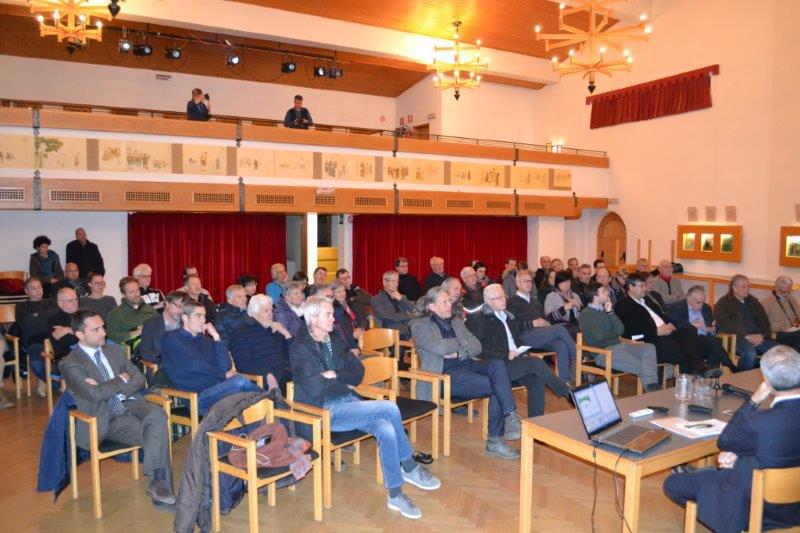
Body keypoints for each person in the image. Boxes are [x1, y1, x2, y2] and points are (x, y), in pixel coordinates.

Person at [291, 296, 440, 519]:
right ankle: (409, 466)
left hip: (348, 401)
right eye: (328, 314)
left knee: (386, 429)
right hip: (323, 410)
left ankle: (395, 494)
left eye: (332, 313)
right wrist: (341, 383)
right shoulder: (300, 347)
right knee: (390, 409)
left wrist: (334, 376)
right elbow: (315, 387)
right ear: (312, 318)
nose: (333, 318)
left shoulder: (334, 340)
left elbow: (358, 373)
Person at [662, 345, 800, 533]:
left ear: (767, 381)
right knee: (712, 473)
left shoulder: (760, 422)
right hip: (794, 507)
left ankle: (731, 521)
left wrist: (753, 400)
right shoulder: (765, 425)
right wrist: (741, 455)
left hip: (757, 507)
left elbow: (725, 441)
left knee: (673, 483)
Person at [59, 310, 175, 507]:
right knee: (157, 431)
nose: (104, 333)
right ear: (79, 334)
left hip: (130, 402)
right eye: (96, 329)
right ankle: (159, 482)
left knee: (157, 414)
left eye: (102, 327)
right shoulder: (70, 363)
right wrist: (121, 379)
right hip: (105, 416)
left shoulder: (113, 350)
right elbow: (95, 395)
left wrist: (109, 387)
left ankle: (159, 482)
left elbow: (139, 379)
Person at [411, 288, 522, 459]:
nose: (450, 305)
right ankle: (495, 440)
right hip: (444, 376)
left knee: (497, 364)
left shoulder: (456, 322)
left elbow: (477, 345)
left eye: (449, 301)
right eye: (444, 302)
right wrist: (462, 342)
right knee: (496, 386)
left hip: (467, 364)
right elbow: (439, 348)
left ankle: (510, 415)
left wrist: (458, 353)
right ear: (431, 306)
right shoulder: (420, 326)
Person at [463, 284, 572, 418]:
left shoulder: (507, 316)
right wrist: (506, 354)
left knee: (536, 380)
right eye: (499, 298)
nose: (504, 300)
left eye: (504, 296)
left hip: (514, 360)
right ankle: (566, 392)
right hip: (496, 365)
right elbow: (478, 349)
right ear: (488, 301)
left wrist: (522, 351)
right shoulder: (477, 319)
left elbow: (516, 339)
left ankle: (535, 422)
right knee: (535, 363)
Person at [161, 300, 261, 415]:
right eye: (198, 316)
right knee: (240, 382)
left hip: (219, 389)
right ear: (185, 318)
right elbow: (194, 365)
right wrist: (223, 375)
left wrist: (216, 337)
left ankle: (270, 403)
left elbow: (226, 366)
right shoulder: (171, 338)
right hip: (197, 398)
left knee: (247, 395)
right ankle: (272, 400)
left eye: (204, 316)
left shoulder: (205, 340)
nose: (203, 320)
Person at [614, 272, 706, 376]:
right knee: (677, 347)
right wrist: (656, 331)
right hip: (648, 339)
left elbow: (663, 316)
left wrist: (671, 325)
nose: (645, 288)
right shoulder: (623, 305)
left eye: (645, 285)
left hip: (666, 332)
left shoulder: (647, 300)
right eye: (641, 286)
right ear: (631, 286)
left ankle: (696, 370)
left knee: (690, 330)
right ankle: (695, 372)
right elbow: (630, 330)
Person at [579, 282, 660, 391]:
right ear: (595, 296)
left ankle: (652, 389)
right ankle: (653, 391)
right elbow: (600, 336)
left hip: (621, 346)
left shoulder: (606, 310)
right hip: (604, 353)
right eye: (603, 291)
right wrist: (615, 334)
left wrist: (610, 312)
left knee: (649, 348)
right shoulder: (586, 314)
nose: (607, 293)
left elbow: (621, 329)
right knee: (644, 367)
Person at [505, 271, 578, 383]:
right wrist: (532, 323)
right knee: (559, 328)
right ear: (517, 283)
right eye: (525, 281)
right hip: (524, 337)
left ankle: (564, 382)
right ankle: (577, 357)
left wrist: (547, 322)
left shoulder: (535, 302)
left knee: (561, 345)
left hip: (540, 335)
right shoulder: (511, 302)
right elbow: (511, 325)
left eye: (530, 281)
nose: (528, 283)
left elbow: (546, 318)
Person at [229, 294, 292, 393]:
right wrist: (266, 374)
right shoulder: (241, 332)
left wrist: (287, 334)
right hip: (263, 380)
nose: (271, 314)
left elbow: (293, 354)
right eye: (266, 311)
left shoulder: (275, 328)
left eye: (271, 310)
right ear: (254, 313)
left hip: (286, 373)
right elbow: (242, 364)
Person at [715, 275, 779, 370]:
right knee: (750, 354)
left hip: (758, 338)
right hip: (738, 339)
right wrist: (746, 336)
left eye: (748, 286)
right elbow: (724, 325)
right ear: (734, 288)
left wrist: (762, 335)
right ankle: (741, 377)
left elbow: (765, 320)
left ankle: (763, 373)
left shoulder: (754, 301)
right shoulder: (724, 303)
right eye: (743, 286)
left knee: (779, 351)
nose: (747, 289)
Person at [669, 285, 737, 372]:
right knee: (713, 342)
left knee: (714, 349)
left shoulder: (706, 307)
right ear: (689, 298)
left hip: (705, 342)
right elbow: (675, 327)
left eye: (703, 302)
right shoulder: (677, 308)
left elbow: (714, 324)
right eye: (698, 302)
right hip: (688, 343)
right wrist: (692, 325)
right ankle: (730, 365)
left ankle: (711, 375)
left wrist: (713, 329)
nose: (701, 306)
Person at [15, 278, 57, 397]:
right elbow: (27, 324)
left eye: (39, 287)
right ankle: (56, 384)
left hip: (54, 338)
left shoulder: (51, 302)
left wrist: (37, 316)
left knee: (66, 356)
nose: (38, 290)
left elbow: (56, 316)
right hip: (34, 341)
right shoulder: (21, 306)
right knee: (37, 364)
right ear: (27, 291)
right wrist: (46, 316)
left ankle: (47, 382)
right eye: (34, 288)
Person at [105, 277, 158, 346]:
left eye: (137, 290)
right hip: (135, 346)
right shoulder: (115, 314)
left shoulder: (149, 308)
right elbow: (111, 335)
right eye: (132, 292)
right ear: (123, 295)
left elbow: (161, 325)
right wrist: (137, 332)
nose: (136, 294)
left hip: (156, 342)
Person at [140, 292, 186, 364]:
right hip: (161, 366)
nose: (181, 310)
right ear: (167, 304)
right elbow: (145, 353)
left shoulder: (186, 323)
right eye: (179, 306)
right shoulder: (151, 324)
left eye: (184, 307)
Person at [761, 276, 800, 351]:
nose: (787, 294)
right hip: (778, 334)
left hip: (795, 331)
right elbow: (763, 325)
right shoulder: (766, 302)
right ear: (776, 288)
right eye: (784, 291)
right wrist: (780, 327)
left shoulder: (792, 300)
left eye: (789, 291)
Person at [371, 271, 414, 339]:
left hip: (409, 332)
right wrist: (407, 315)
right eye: (393, 281)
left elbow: (415, 312)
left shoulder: (401, 297)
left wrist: (402, 299)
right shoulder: (377, 299)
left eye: (397, 281)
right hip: (390, 335)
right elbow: (386, 317)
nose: (396, 284)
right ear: (385, 282)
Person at [543, 270, 582, 338]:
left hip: (576, 328)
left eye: (568, 281)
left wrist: (579, 307)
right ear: (557, 283)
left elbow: (583, 316)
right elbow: (549, 319)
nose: (566, 284)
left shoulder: (575, 295)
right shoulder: (551, 296)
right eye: (563, 282)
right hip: (560, 329)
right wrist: (563, 308)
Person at [47, 287, 80, 361]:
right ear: (60, 303)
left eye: (76, 299)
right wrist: (83, 332)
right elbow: (68, 342)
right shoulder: (54, 320)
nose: (75, 303)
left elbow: (101, 333)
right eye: (70, 300)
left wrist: (69, 330)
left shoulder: (84, 315)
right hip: (68, 358)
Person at [331, 280, 363, 354]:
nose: (342, 294)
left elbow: (362, 319)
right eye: (339, 292)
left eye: (343, 291)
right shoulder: (335, 310)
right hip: (351, 344)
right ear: (333, 294)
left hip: (359, 336)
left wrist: (360, 328)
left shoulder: (349, 304)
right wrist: (356, 349)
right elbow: (345, 333)